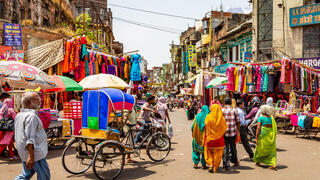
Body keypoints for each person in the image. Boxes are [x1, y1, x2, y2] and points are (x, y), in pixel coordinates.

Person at [15, 92, 50, 180]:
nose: (39, 101)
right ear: (27, 102)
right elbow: (30, 138)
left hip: (25, 152)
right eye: (36, 99)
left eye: (39, 99)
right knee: (44, 177)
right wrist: (31, 157)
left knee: (26, 175)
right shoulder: (31, 116)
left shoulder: (19, 115)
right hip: (36, 154)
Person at [204, 104, 227, 173]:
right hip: (219, 140)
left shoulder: (208, 117)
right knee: (218, 154)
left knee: (209, 152)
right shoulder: (221, 119)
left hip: (210, 139)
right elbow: (224, 128)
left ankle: (211, 164)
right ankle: (215, 168)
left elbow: (206, 126)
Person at [253, 105, 277, 170]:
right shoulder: (271, 118)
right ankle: (273, 163)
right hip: (270, 135)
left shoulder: (261, 118)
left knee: (260, 148)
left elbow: (258, 128)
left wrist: (256, 137)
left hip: (263, 135)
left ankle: (258, 161)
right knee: (270, 150)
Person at [222, 97, 240, 170]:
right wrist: (238, 130)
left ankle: (225, 164)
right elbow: (238, 121)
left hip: (224, 132)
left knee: (225, 148)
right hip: (233, 132)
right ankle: (235, 161)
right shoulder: (234, 110)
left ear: (225, 103)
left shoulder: (222, 110)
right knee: (233, 147)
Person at [191, 105, 210, 170]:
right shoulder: (208, 117)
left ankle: (195, 164)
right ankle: (203, 164)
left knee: (195, 151)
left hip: (196, 137)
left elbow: (192, 126)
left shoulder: (197, 116)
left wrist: (194, 134)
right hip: (204, 137)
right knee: (204, 151)